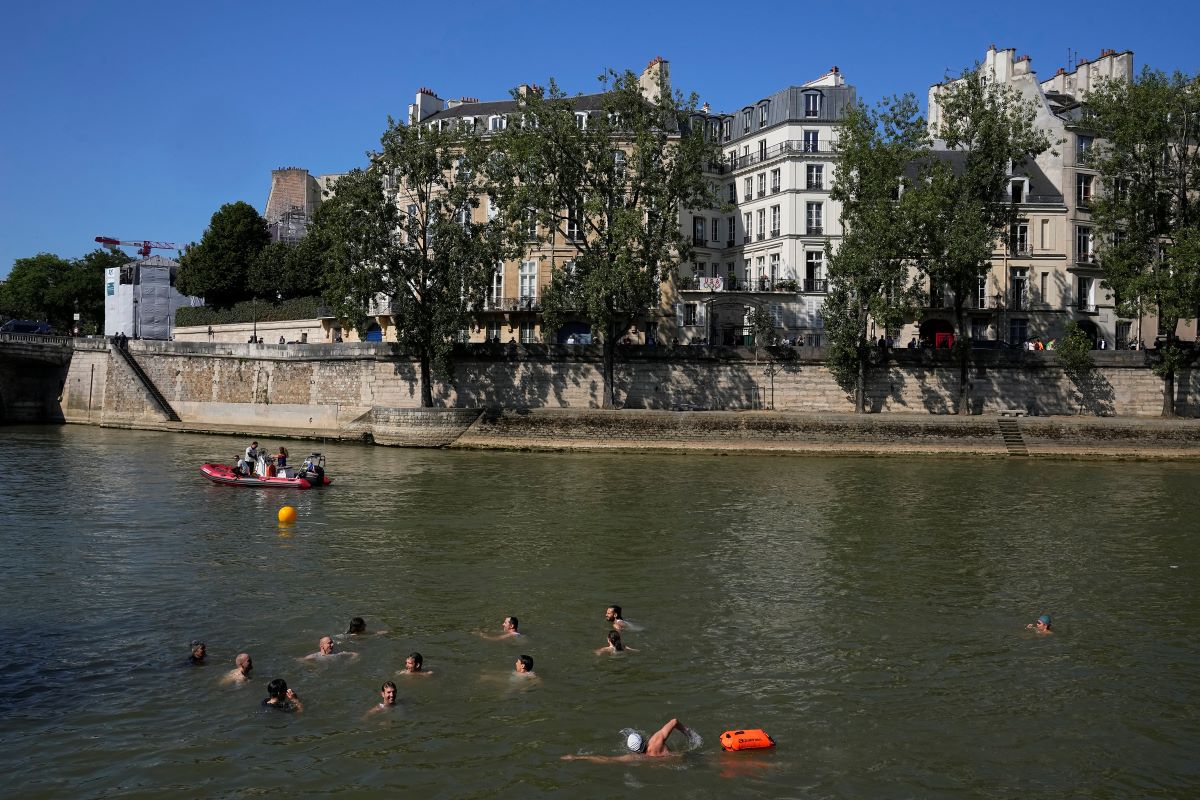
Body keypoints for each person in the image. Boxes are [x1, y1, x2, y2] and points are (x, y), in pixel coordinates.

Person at [561, 718, 693, 763]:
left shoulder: (635, 758)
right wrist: (686, 731)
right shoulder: (655, 741)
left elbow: (607, 760)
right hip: (685, 758)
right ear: (643, 739)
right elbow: (674, 721)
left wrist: (577, 757)